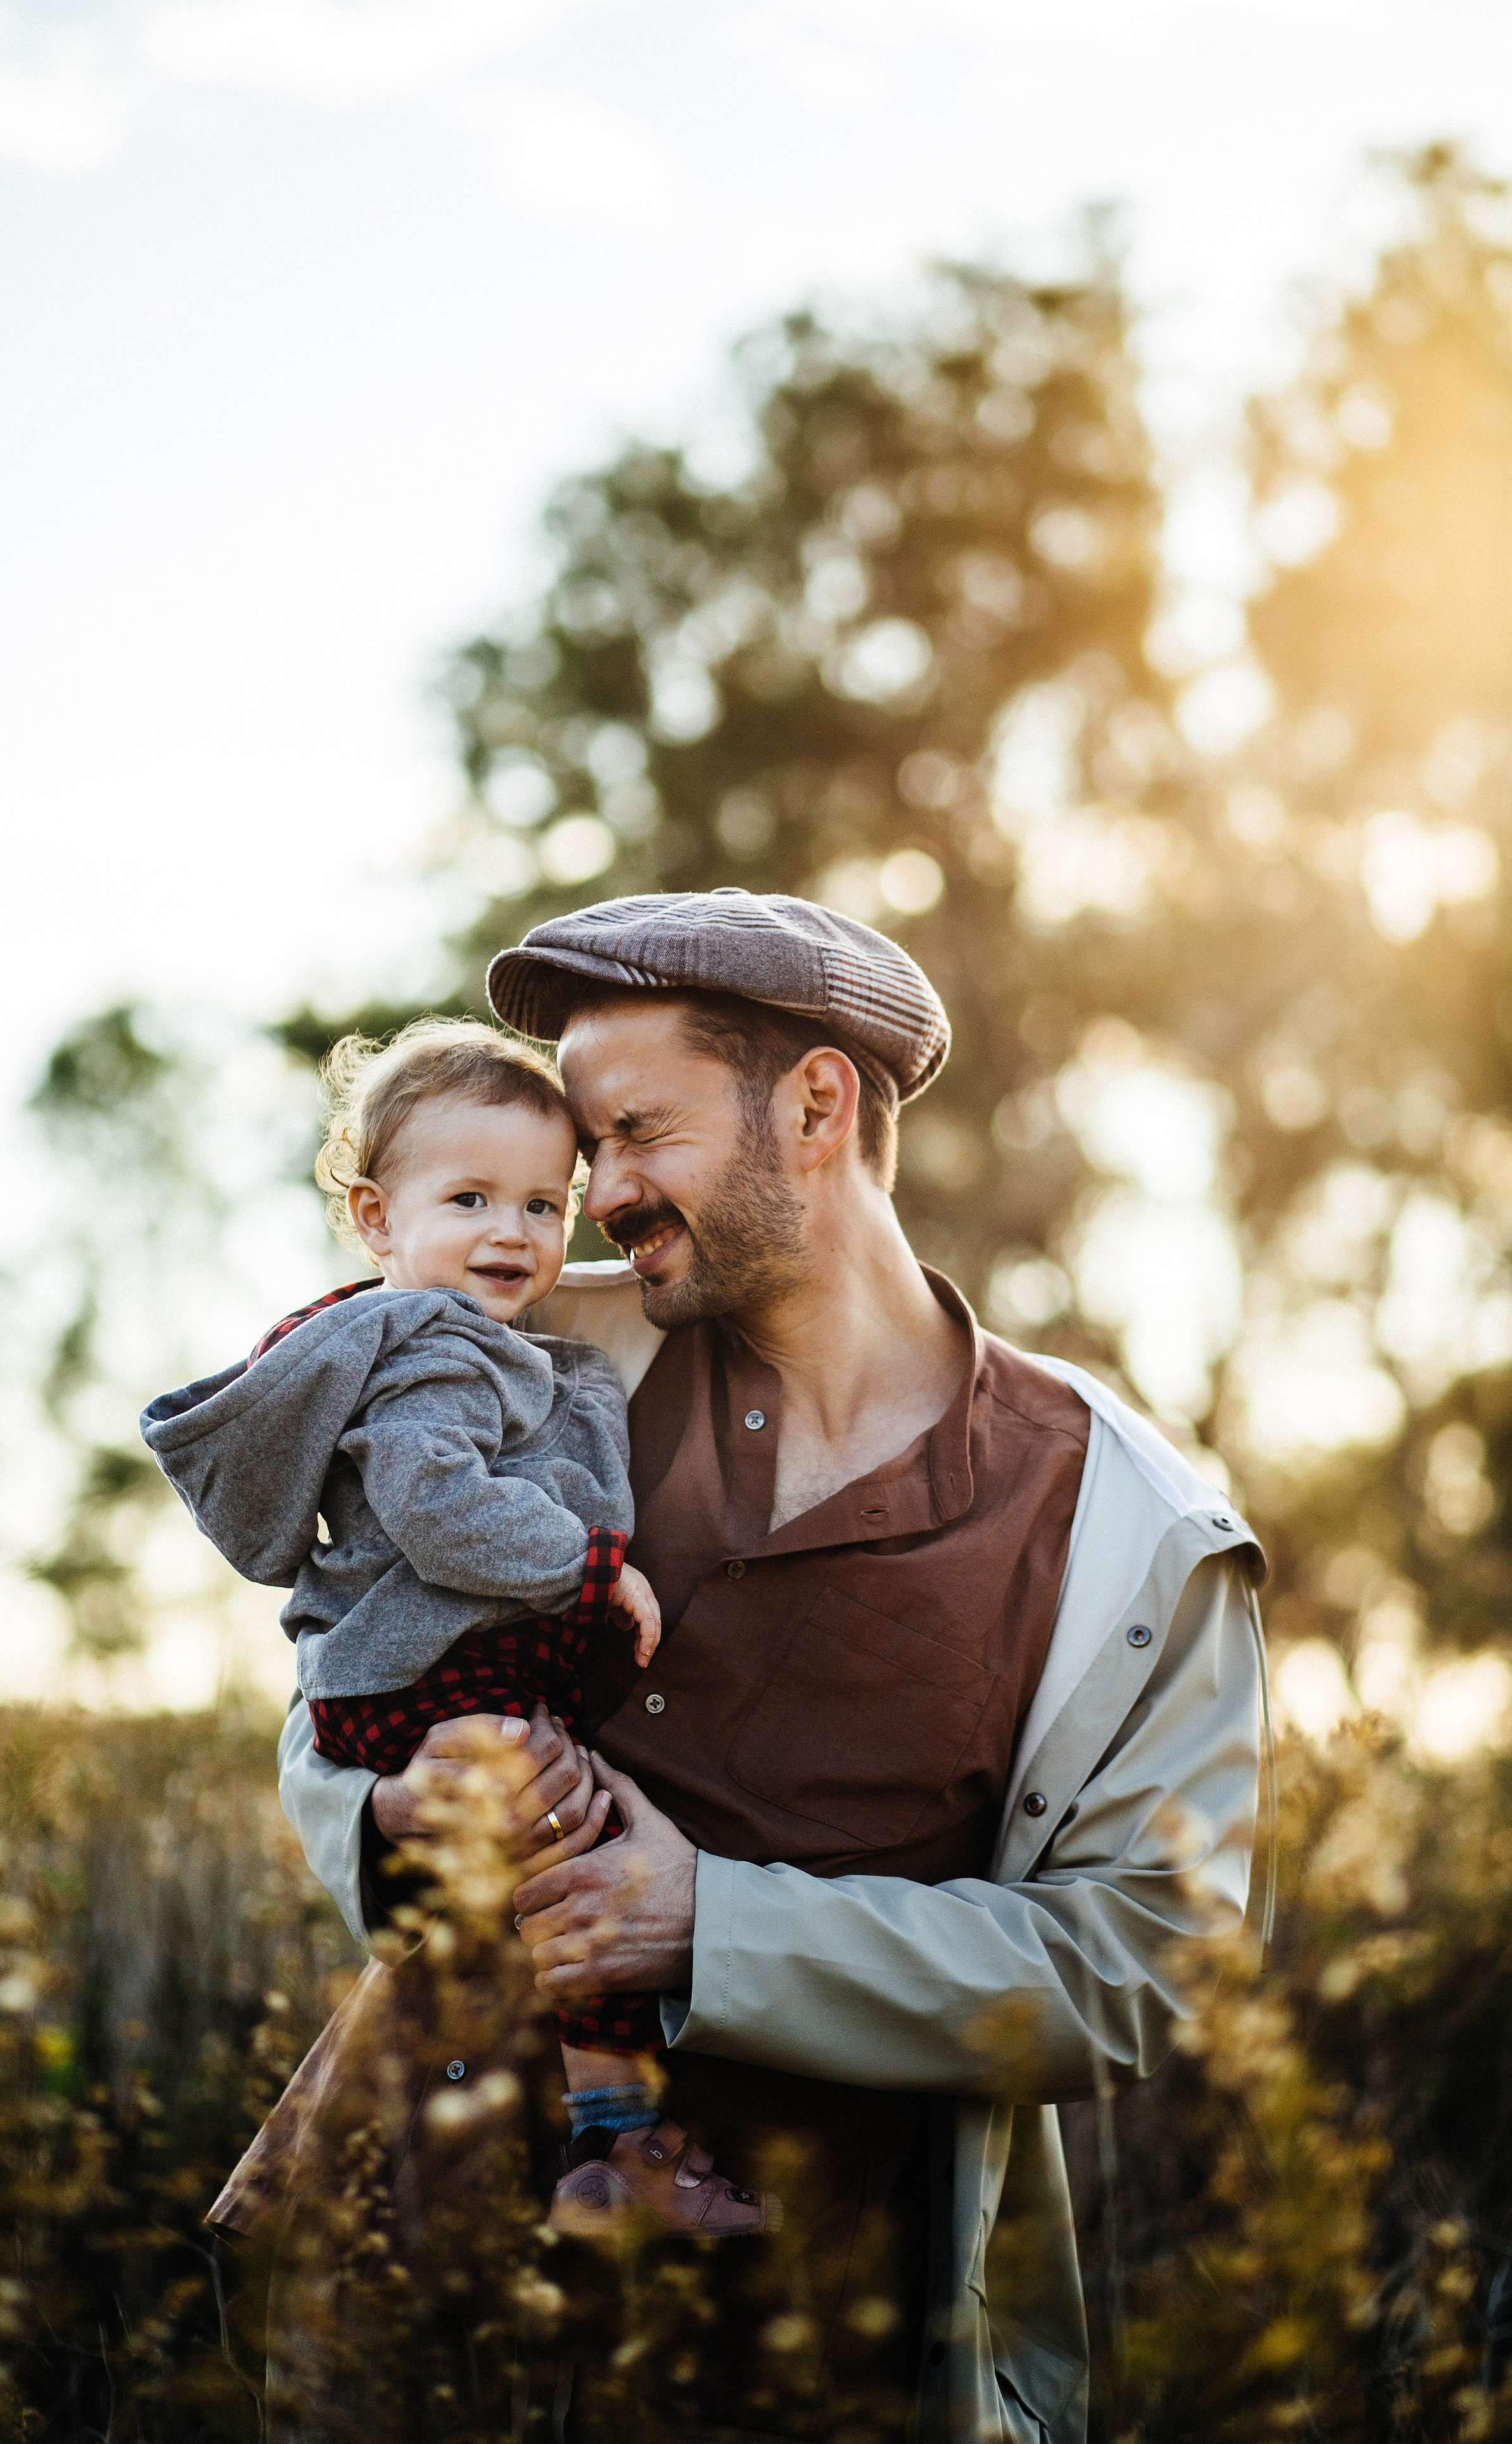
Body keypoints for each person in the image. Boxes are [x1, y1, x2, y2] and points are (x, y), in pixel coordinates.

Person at [276, 887, 1267, 2443]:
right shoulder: (530, 1362)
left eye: (634, 1134)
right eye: (578, 1150)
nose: (592, 1193)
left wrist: (711, 1926)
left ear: (813, 1103)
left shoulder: (1123, 1527)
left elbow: (1152, 1968)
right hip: (408, 2296)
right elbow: (336, 1662)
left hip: (819, 2352)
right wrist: (380, 1812)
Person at [143, 1018, 762, 2237]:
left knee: (566, 1857)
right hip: (423, 1671)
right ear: (377, 1218)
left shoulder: (485, 1338)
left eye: (543, 1203)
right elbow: (436, 1511)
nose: (511, 1232)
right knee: (581, 1868)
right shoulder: (430, 1348)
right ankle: (613, 2143)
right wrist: (591, 1571)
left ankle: (602, 2136)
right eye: (469, 1196)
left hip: (431, 1665)